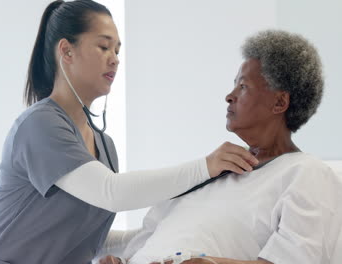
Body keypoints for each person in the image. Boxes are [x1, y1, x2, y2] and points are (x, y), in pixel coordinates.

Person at [0, 1, 257, 264]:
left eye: (117, 50)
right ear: (66, 51)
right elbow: (111, 192)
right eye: (104, 47)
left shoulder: (104, 146)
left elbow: (86, 237)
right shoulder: (40, 125)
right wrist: (206, 167)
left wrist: (158, 233)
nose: (115, 58)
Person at [98, 30, 342, 264]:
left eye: (243, 87)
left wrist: (210, 263)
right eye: (234, 85)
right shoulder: (213, 170)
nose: (229, 95)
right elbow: (148, 240)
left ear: (279, 102)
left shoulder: (305, 172)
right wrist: (123, 260)